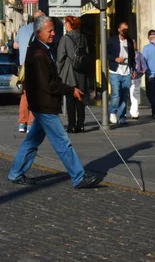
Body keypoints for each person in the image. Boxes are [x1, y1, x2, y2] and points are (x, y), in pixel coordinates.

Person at [8, 16, 100, 189]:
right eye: (49, 31)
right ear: (38, 32)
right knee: (62, 141)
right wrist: (70, 90)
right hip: (44, 104)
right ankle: (78, 176)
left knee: (32, 141)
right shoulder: (38, 53)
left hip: (41, 103)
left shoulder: (42, 48)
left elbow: (50, 79)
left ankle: (15, 173)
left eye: (53, 30)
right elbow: (48, 83)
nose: (53, 33)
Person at [57, 16, 90, 133]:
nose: (65, 25)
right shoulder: (83, 38)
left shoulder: (65, 39)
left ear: (70, 25)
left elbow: (60, 58)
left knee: (70, 99)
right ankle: (81, 125)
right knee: (80, 99)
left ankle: (71, 125)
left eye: (66, 23)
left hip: (69, 72)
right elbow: (86, 54)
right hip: (81, 73)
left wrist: (58, 72)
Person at [14, 11, 45, 133]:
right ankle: (31, 124)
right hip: (37, 66)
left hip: (24, 67)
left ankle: (22, 123)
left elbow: (15, 45)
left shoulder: (22, 29)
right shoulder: (41, 31)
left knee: (25, 95)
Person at [107, 22, 136, 125]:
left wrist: (133, 69)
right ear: (119, 29)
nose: (125, 31)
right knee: (116, 93)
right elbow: (106, 54)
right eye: (123, 29)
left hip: (127, 72)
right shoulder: (112, 40)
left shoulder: (129, 41)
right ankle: (112, 111)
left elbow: (132, 56)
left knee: (124, 95)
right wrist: (115, 59)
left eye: (127, 29)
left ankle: (122, 116)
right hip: (115, 71)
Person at [129, 44, 147, 119]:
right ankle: (134, 113)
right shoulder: (139, 54)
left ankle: (123, 114)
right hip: (137, 76)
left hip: (127, 76)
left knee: (125, 94)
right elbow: (144, 68)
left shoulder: (126, 54)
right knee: (135, 94)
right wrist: (140, 74)